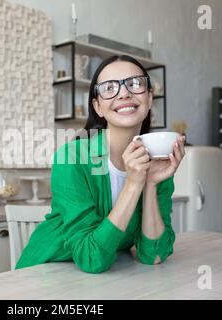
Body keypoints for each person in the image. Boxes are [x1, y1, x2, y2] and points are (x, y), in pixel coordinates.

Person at [15, 55, 185, 273]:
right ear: (98, 106)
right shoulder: (72, 158)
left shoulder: (156, 163)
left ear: (150, 98)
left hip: (99, 284)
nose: (124, 93)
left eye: (135, 84)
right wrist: (133, 185)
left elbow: (154, 255)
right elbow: (91, 258)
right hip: (42, 276)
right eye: (109, 88)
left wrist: (150, 184)